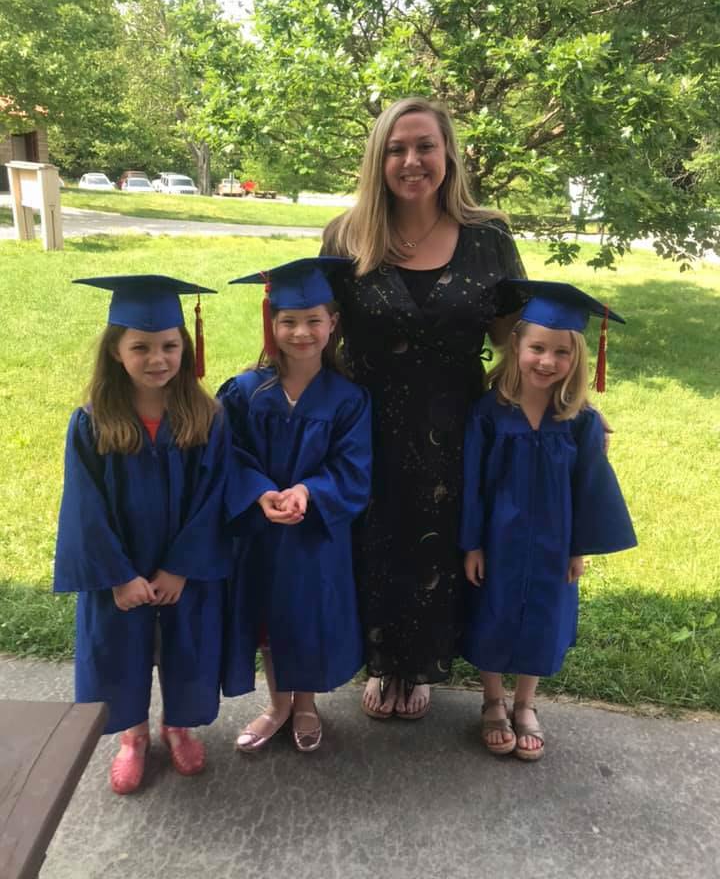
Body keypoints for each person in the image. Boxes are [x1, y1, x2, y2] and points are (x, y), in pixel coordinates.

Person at [320, 96, 527, 719]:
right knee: (375, 540)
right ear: (378, 159)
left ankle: (421, 666)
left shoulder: (488, 235)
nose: (411, 161)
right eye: (396, 149)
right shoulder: (347, 234)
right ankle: (385, 664)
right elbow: (315, 332)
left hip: (454, 422)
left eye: (425, 147)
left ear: (448, 155)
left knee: (438, 545)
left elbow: (514, 339)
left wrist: (572, 409)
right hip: (367, 423)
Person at [54, 275, 233, 794]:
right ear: (115, 351)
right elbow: (83, 506)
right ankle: (132, 736)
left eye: (169, 346)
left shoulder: (207, 418)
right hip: (122, 571)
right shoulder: (91, 422)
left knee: (187, 646)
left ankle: (176, 726)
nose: (158, 358)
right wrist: (117, 576)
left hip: (185, 570)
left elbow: (214, 496)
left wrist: (181, 566)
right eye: (141, 347)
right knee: (119, 649)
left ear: (185, 345)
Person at [461, 279, 637, 760]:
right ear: (516, 344)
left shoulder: (578, 421)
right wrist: (473, 544)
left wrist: (577, 548)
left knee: (542, 617)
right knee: (493, 614)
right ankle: (493, 701)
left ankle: (525, 704)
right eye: (537, 347)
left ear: (576, 359)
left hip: (553, 542)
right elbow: (472, 484)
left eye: (561, 352)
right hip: (499, 539)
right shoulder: (489, 413)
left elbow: (588, 489)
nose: (547, 361)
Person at [219, 257, 372, 753]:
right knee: (267, 617)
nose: (301, 331)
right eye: (288, 321)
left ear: (333, 325)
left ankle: (305, 704)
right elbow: (227, 458)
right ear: (271, 323)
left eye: (313, 320)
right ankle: (276, 706)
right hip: (260, 533)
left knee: (308, 615)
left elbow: (354, 468)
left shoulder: (348, 399)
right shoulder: (243, 393)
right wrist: (260, 491)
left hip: (314, 533)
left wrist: (309, 491)